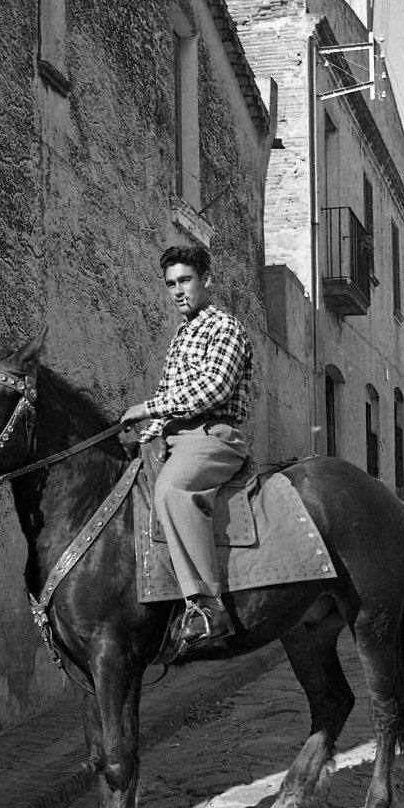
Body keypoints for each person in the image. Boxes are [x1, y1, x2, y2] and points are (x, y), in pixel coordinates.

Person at [121, 245, 253, 645]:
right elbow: (168, 399)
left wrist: (147, 407)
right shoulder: (182, 336)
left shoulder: (225, 327)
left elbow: (213, 389)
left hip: (212, 436)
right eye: (170, 284)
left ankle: (206, 606)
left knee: (173, 490)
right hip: (174, 437)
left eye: (185, 280)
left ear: (206, 280)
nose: (178, 290)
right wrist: (142, 436)